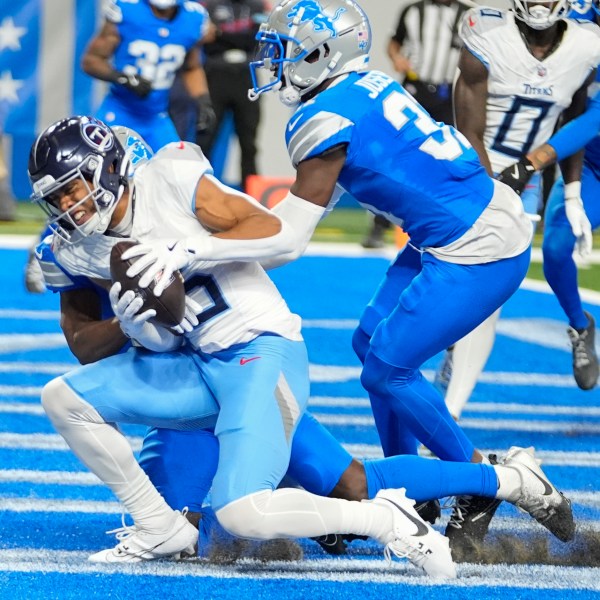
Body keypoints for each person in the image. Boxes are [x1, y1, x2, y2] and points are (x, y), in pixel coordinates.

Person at [29, 120, 574, 573]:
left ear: (109, 170)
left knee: (240, 519)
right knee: (65, 399)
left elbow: (268, 226)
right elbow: (82, 343)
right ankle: (157, 526)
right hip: (191, 372)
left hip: (259, 354)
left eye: (74, 188)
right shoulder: (68, 249)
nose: (68, 207)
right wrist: (127, 325)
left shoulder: (170, 181)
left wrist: (186, 250)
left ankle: (450, 497)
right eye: (55, 198)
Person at [244, 0, 576, 559]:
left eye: (282, 52)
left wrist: (199, 251)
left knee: (387, 370)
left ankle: (472, 480)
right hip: (454, 223)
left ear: (322, 55)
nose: (272, 63)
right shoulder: (366, 84)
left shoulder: (324, 117)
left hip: (475, 243)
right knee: (371, 344)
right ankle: (409, 490)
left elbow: (288, 240)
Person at [437, 0, 600, 421]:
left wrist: (546, 174)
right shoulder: (499, 32)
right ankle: (578, 323)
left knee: (489, 284)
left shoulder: (586, 42)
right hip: (497, 164)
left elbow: (585, 116)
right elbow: (578, 115)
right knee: (438, 277)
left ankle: (449, 407)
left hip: (528, 169)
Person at [497, 83, 600, 390]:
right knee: (555, 247)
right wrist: (534, 163)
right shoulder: (585, 49)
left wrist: (532, 162)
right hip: (592, 170)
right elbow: (587, 120)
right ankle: (580, 326)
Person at [362, 0, 472, 249]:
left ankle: (446, 227)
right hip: (415, 90)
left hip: (450, 93)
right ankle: (379, 226)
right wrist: (397, 58)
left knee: (448, 160)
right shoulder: (413, 11)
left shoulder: (468, 14)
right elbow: (394, 42)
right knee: (396, 156)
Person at [81, 0, 215, 153]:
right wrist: (123, 78)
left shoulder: (194, 17)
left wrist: (203, 101)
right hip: (119, 111)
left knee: (176, 169)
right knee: (103, 166)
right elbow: (91, 61)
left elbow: (192, 67)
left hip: (157, 117)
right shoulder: (127, 10)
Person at [197, 0, 270, 191]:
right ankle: (198, 188)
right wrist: (238, 36)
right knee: (206, 136)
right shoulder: (209, 5)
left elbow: (258, 39)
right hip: (215, 76)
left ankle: (252, 194)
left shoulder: (257, 5)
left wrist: (222, 34)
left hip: (246, 77)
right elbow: (206, 40)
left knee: (249, 142)